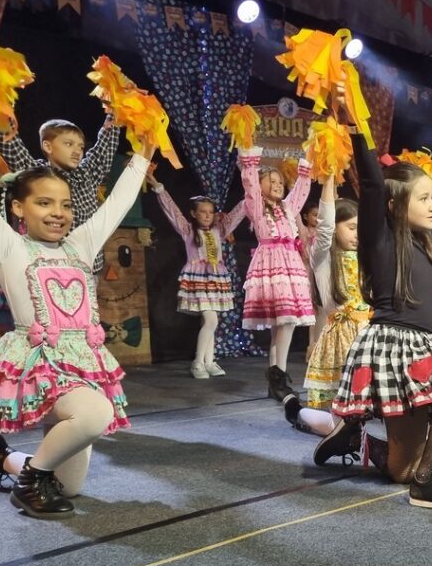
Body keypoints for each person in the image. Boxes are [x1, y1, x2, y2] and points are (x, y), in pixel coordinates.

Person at [0, 108, 155, 518]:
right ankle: (29, 484)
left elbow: (119, 201)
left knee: (69, 486)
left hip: (82, 367)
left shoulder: (80, 245)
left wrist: (145, 153)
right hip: (40, 368)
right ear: (18, 208)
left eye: (64, 204)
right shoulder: (8, 246)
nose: (58, 212)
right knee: (95, 413)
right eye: (44, 203)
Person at [322, 89, 432, 511]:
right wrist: (356, 121)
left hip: (422, 345)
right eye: (425, 198)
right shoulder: (378, 236)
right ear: (397, 203)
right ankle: (429, 481)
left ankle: (360, 440)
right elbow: (372, 182)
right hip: (393, 343)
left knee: (399, 469)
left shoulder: (431, 238)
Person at [290, 173, 369, 435]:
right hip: (341, 337)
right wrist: (329, 178)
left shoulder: (363, 257)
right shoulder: (323, 258)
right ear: (335, 227)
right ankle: (299, 413)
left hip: (366, 334)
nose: (357, 234)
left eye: (360, 227)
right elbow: (324, 228)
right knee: (342, 417)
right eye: (352, 227)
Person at [0, 107, 121, 272]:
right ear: (48, 146)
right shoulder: (36, 175)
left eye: (81, 147)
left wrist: (117, 108)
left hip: (87, 268)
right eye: (69, 144)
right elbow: (10, 143)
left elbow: (106, 145)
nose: (77, 151)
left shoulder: (88, 174)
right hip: (48, 266)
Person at [148, 169, 245, 378]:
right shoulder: (188, 230)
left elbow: (238, 214)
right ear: (194, 213)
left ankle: (209, 362)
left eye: (211, 212)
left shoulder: (220, 230)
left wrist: (252, 195)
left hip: (216, 279)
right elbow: (172, 211)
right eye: (203, 212)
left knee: (210, 321)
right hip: (199, 279)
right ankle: (198, 362)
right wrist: (157, 186)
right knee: (211, 321)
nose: (208, 215)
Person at [237, 148, 316, 400]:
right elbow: (250, 185)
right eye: (271, 181)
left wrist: (309, 160)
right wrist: (249, 161)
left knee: (281, 325)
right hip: (271, 265)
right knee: (285, 321)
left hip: (290, 265)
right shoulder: (256, 207)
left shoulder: (288, 208)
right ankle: (279, 377)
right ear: (260, 185)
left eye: (280, 181)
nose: (277, 184)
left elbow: (302, 188)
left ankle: (275, 381)